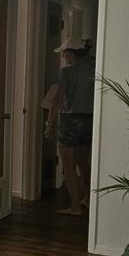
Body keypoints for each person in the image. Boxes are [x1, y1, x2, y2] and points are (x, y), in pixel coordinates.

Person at [44, 38, 95, 216]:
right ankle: (88, 199)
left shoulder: (66, 72)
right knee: (83, 161)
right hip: (89, 120)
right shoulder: (93, 71)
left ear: (71, 53)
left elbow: (57, 100)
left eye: (64, 53)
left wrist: (49, 124)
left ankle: (75, 207)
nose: (63, 56)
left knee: (69, 164)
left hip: (69, 120)